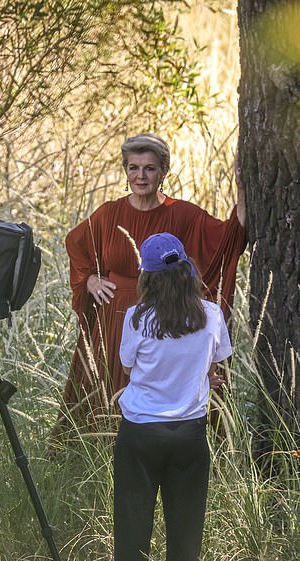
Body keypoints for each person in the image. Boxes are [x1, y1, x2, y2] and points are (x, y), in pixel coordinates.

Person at [58, 132, 246, 430]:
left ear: (163, 172)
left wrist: (241, 185)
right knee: (105, 400)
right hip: (114, 319)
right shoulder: (109, 214)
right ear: (126, 171)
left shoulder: (182, 214)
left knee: (155, 405)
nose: (141, 175)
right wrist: (90, 279)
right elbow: (75, 243)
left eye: (149, 168)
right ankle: (103, 460)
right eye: (134, 167)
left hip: (164, 321)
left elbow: (229, 238)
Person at [114, 232, 231, 561]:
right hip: (189, 434)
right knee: (185, 538)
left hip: (139, 433)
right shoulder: (211, 315)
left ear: (146, 277)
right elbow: (214, 362)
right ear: (187, 269)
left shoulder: (137, 318)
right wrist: (204, 375)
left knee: (131, 535)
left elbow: (127, 369)